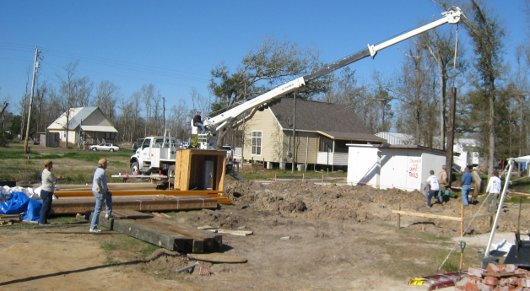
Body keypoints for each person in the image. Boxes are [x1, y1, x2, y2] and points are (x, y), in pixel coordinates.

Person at [89, 158, 112, 233]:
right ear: (103, 164)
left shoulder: (98, 170)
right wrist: (101, 188)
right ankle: (93, 227)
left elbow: (101, 181)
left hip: (96, 190)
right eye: (106, 164)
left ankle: (108, 213)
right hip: (99, 192)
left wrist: (106, 189)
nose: (107, 165)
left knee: (108, 197)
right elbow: (98, 180)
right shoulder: (101, 172)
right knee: (97, 210)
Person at [39, 160, 62, 225]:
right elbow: (54, 180)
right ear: (48, 165)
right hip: (47, 191)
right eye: (51, 164)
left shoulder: (44, 171)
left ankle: (43, 220)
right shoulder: (48, 173)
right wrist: (58, 178)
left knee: (45, 206)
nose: (52, 166)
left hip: (44, 191)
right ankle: (42, 221)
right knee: (46, 207)